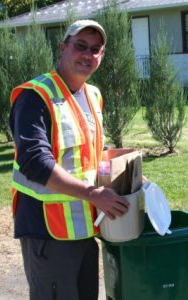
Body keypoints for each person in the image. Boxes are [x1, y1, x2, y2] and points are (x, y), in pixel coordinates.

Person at [9, 20, 129, 299]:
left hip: (84, 228)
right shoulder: (35, 96)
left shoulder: (93, 95)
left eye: (95, 49)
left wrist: (128, 170)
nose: (87, 54)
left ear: (101, 57)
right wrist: (93, 193)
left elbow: (93, 150)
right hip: (46, 231)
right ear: (63, 48)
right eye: (80, 46)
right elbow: (34, 161)